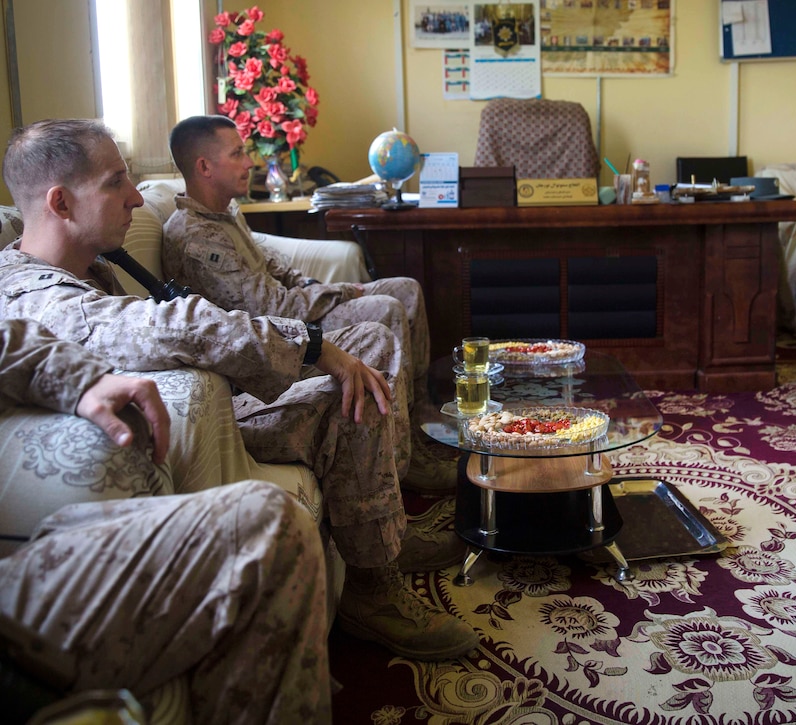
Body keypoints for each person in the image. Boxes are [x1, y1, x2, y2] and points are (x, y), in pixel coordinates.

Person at [0, 118, 477, 661]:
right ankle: (372, 591)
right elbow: (178, 325)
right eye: (115, 183)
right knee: (350, 388)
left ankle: (381, 543)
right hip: (204, 416)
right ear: (60, 204)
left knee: (362, 360)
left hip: (225, 395)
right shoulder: (34, 295)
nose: (135, 198)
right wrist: (315, 347)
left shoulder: (90, 265)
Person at [0, 318, 331, 724]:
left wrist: (80, 378)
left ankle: (373, 581)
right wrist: (309, 342)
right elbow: (145, 324)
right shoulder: (26, 281)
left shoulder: (103, 272)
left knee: (263, 525)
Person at [163, 114, 454, 494]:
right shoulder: (196, 237)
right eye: (237, 153)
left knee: (407, 289)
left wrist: (317, 285)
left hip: (291, 312)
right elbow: (273, 307)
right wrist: (345, 292)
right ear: (204, 166)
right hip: (276, 337)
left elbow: (275, 269)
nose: (249, 162)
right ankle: (404, 458)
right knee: (386, 309)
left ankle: (417, 420)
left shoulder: (225, 215)